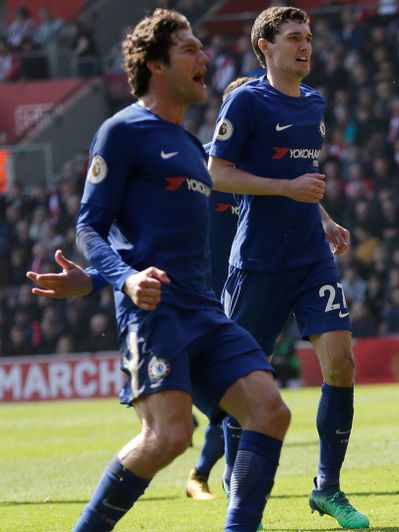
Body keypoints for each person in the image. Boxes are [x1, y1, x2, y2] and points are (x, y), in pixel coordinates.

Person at [70, 9, 289, 531]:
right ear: (155, 64)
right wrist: (120, 279)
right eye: (189, 49)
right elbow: (90, 227)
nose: (204, 57)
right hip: (156, 310)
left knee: (270, 412)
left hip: (205, 310)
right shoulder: (122, 132)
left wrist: (94, 279)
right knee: (169, 436)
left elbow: (166, 243)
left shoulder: (193, 149)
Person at [27, 76, 257, 503]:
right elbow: (149, 249)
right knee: (182, 428)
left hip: (224, 305)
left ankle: (226, 491)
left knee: (258, 408)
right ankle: (207, 476)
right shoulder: (197, 168)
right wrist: (97, 279)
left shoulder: (260, 176)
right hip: (176, 307)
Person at [206, 7, 367, 529]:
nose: (305, 46)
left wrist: (324, 218)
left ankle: (328, 487)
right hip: (258, 262)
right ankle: (239, 485)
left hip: (311, 258)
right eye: (294, 37)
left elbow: (302, 177)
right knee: (244, 380)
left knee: (341, 362)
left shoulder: (314, 102)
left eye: (308, 38)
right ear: (265, 46)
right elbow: (217, 172)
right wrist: (285, 189)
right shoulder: (245, 101)